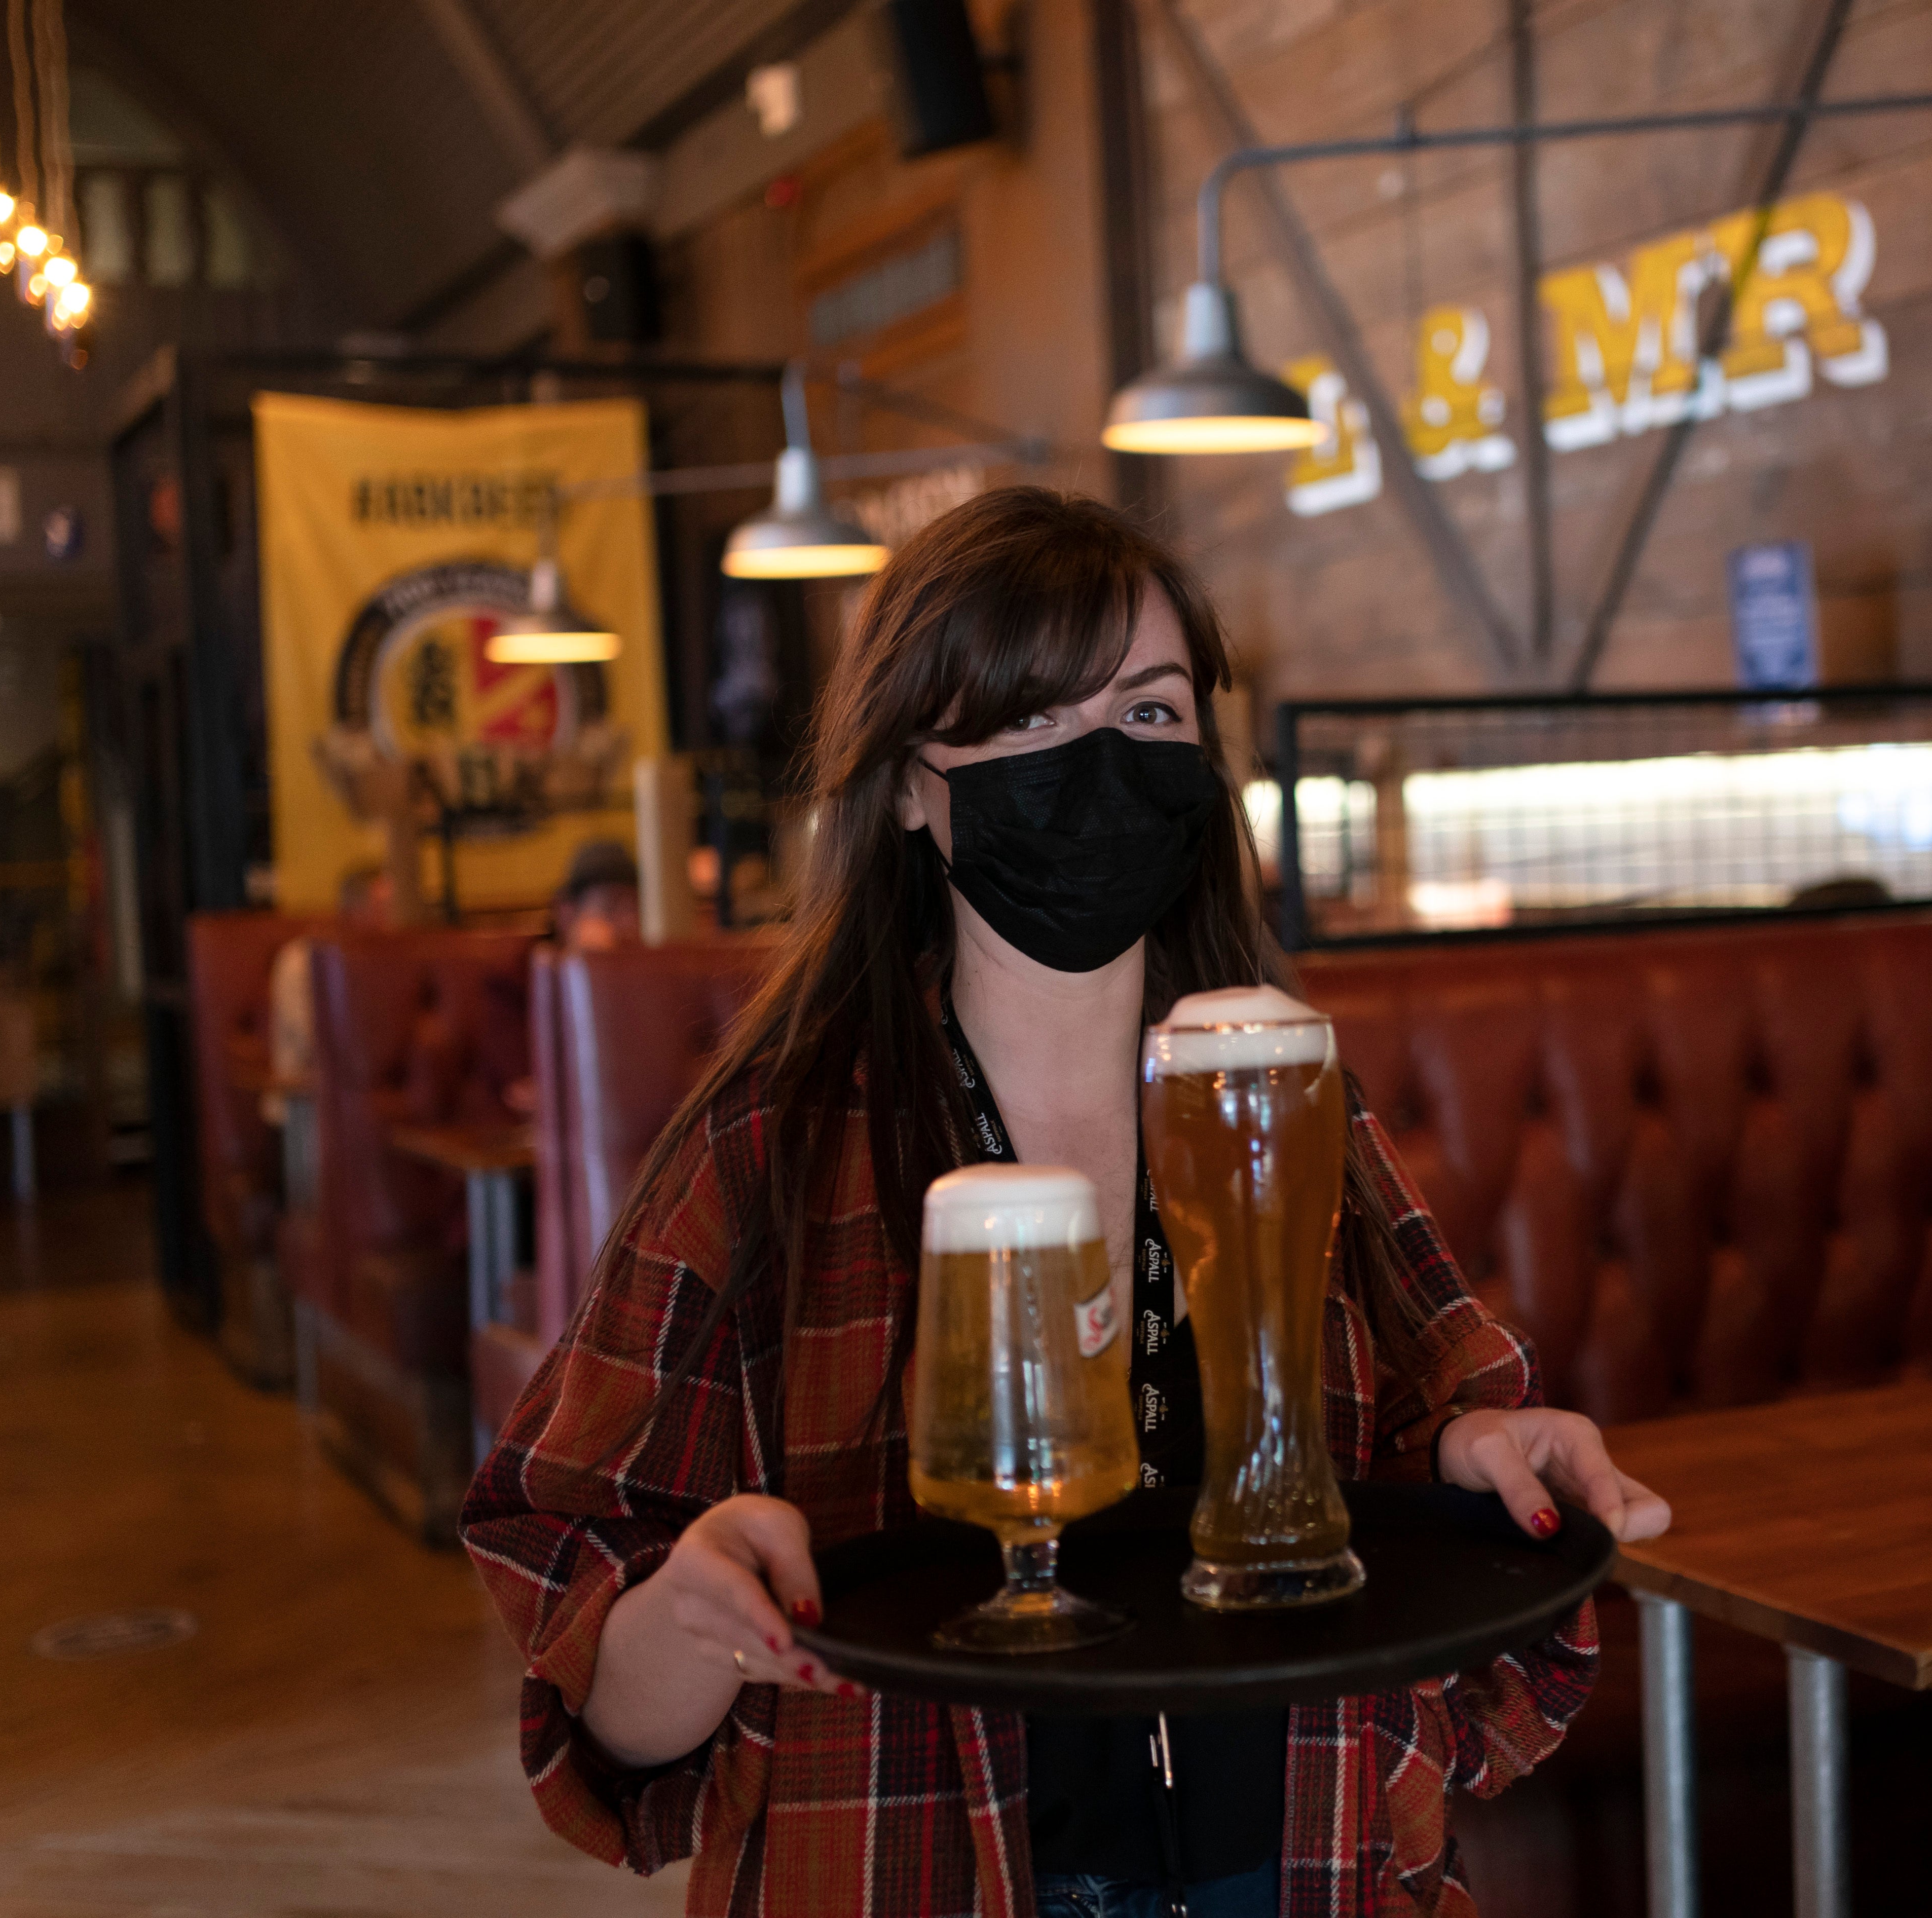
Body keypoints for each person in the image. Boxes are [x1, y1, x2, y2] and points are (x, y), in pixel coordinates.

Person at [462, 488, 1671, 1918]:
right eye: (1032, 718)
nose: (1100, 760)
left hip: (1308, 1868)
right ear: (909, 783)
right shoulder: (770, 1146)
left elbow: (1435, 1432)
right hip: (913, 1869)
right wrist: (691, 1614)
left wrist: (1483, 1448)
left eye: (1151, 715)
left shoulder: (1277, 1092)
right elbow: (590, 1665)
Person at [263, 862, 393, 1125]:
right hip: (305, 1104)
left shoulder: (386, 961)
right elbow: (319, 1039)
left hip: (368, 1099)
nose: (391, 919)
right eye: (383, 909)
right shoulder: (300, 960)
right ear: (355, 911)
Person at [553, 838, 644, 952]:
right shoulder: (536, 966)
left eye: (635, 908)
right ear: (567, 913)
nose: (631, 923)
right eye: (611, 907)